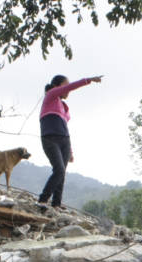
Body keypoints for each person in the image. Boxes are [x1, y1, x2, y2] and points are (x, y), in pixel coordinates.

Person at [37, 74, 101, 209]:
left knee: (62, 173)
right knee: (59, 170)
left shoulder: (64, 107)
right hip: (50, 138)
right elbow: (73, 86)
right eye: (65, 86)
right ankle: (42, 200)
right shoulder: (51, 96)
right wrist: (88, 80)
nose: (68, 90)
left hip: (64, 141)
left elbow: (65, 128)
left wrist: (70, 150)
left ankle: (56, 204)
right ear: (57, 86)